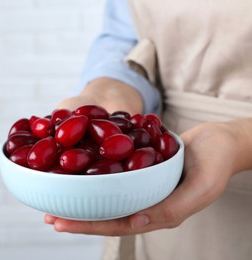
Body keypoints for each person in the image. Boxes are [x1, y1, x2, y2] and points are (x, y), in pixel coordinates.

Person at [44, 0, 252, 259]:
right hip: (166, 173)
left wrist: (243, 140)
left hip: (184, 159)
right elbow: (127, 37)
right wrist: (109, 88)